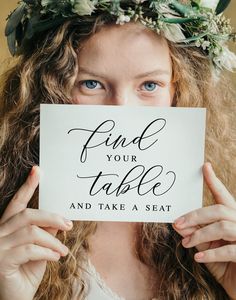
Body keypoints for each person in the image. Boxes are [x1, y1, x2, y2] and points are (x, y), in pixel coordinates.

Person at [0, 0, 235, 299]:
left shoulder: (218, 233)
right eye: (92, 83)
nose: (122, 109)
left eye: (149, 85)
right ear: (53, 90)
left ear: (179, 94)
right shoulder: (11, 235)